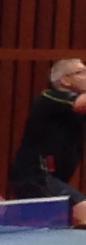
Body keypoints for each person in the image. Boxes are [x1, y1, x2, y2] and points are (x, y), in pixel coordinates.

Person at [5, 59, 86, 209]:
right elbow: (80, 104)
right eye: (81, 72)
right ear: (65, 80)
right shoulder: (50, 97)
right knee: (83, 210)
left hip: (54, 179)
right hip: (35, 176)